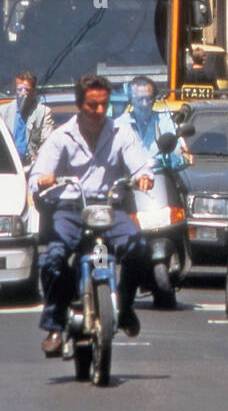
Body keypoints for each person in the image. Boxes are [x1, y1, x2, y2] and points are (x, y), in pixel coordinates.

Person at [30, 73, 155, 356]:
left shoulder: (121, 133)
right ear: (79, 105)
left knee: (140, 249)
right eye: (91, 105)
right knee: (53, 259)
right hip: (71, 209)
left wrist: (144, 177)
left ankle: (124, 307)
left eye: (104, 105)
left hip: (109, 207)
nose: (99, 112)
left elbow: (140, 166)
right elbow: (37, 175)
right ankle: (54, 323)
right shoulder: (61, 136)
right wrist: (43, 179)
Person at [115, 75, 188, 166]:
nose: (145, 104)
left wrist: (180, 156)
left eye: (148, 99)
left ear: (154, 100)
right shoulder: (119, 124)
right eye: (140, 99)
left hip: (160, 175)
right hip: (129, 177)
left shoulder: (165, 121)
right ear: (131, 101)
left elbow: (178, 152)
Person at [0, 71, 55, 167]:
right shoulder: (2, 111)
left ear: (33, 92)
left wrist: (38, 157)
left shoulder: (43, 112)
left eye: (27, 90)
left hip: (30, 165)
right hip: (6, 164)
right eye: (19, 89)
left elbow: (48, 141)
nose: (23, 93)